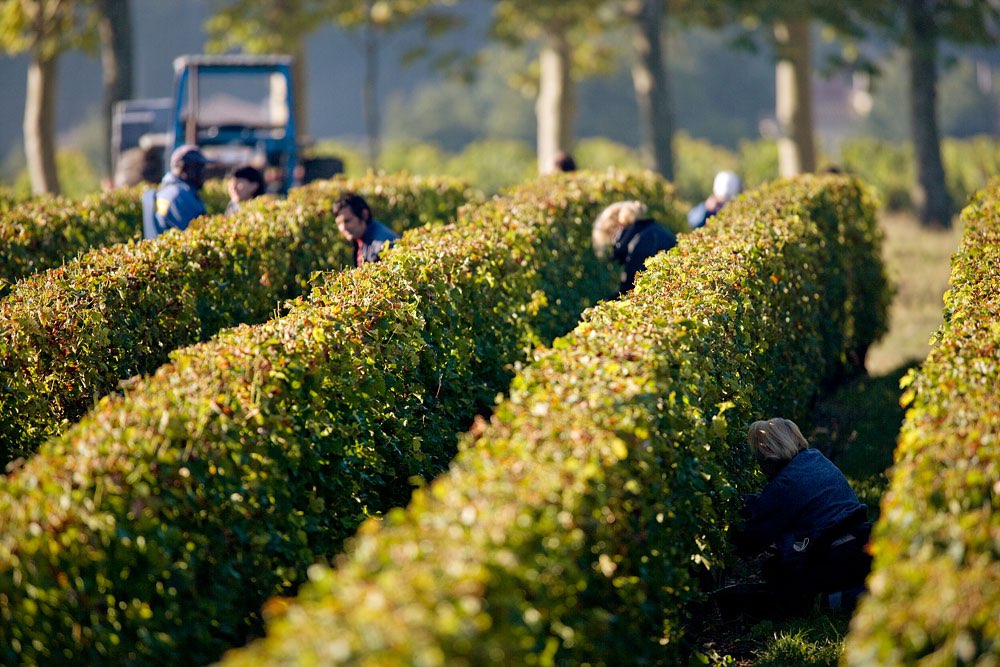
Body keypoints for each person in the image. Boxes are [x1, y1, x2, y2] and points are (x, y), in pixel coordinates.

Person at [731, 418, 873, 614]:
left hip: (837, 557)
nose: (758, 462)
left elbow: (752, 541)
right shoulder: (814, 458)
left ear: (768, 454)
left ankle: (833, 600)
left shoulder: (784, 485)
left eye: (758, 455)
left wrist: (725, 534)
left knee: (777, 577)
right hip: (862, 541)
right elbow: (773, 500)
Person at [592, 200, 677, 297]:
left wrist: (605, 304)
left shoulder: (641, 242)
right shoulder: (651, 230)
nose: (614, 243)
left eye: (611, 236)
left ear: (620, 226)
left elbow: (628, 290)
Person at [154, 144, 211, 233]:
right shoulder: (181, 195)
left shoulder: (167, 190)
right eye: (200, 168)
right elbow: (192, 233)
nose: (203, 173)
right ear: (185, 169)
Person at [334, 192, 399, 266]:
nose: (343, 228)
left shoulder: (383, 245)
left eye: (347, 221)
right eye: (339, 223)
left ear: (364, 215)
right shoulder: (359, 239)